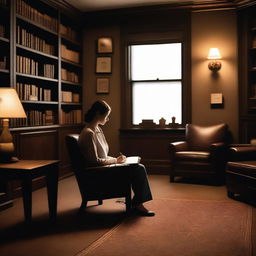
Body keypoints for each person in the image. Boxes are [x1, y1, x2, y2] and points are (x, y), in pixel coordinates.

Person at [78, 100, 155, 217]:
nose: (108, 119)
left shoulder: (97, 129)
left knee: (138, 167)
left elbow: (102, 156)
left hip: (104, 168)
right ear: (99, 113)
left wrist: (117, 159)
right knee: (139, 169)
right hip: (98, 173)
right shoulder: (88, 133)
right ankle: (138, 204)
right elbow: (95, 161)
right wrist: (115, 161)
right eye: (107, 116)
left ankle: (137, 203)